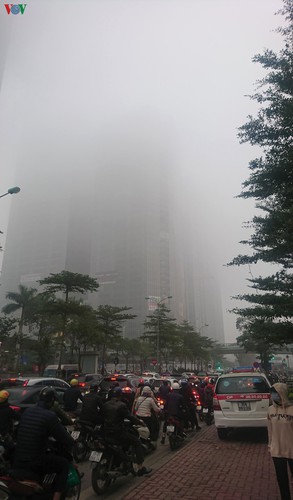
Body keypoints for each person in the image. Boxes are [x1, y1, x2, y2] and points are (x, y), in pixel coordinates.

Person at [13, 387, 75, 500]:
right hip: (35, 460)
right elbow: (66, 439)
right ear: (51, 400)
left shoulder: (27, 411)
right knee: (63, 465)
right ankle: (56, 497)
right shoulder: (49, 416)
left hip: (18, 458)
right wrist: (72, 442)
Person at [102, 387, 152, 476]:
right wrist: (140, 423)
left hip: (106, 432)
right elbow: (130, 417)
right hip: (118, 433)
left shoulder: (105, 405)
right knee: (137, 442)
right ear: (120, 395)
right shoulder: (121, 405)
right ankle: (140, 468)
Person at [267, 383, 293, 500]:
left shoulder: (292, 409)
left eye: (275, 393)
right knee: (281, 479)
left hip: (291, 449)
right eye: (272, 393)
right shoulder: (270, 410)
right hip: (277, 450)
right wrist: (270, 445)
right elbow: (270, 430)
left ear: (282, 393)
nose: (273, 395)